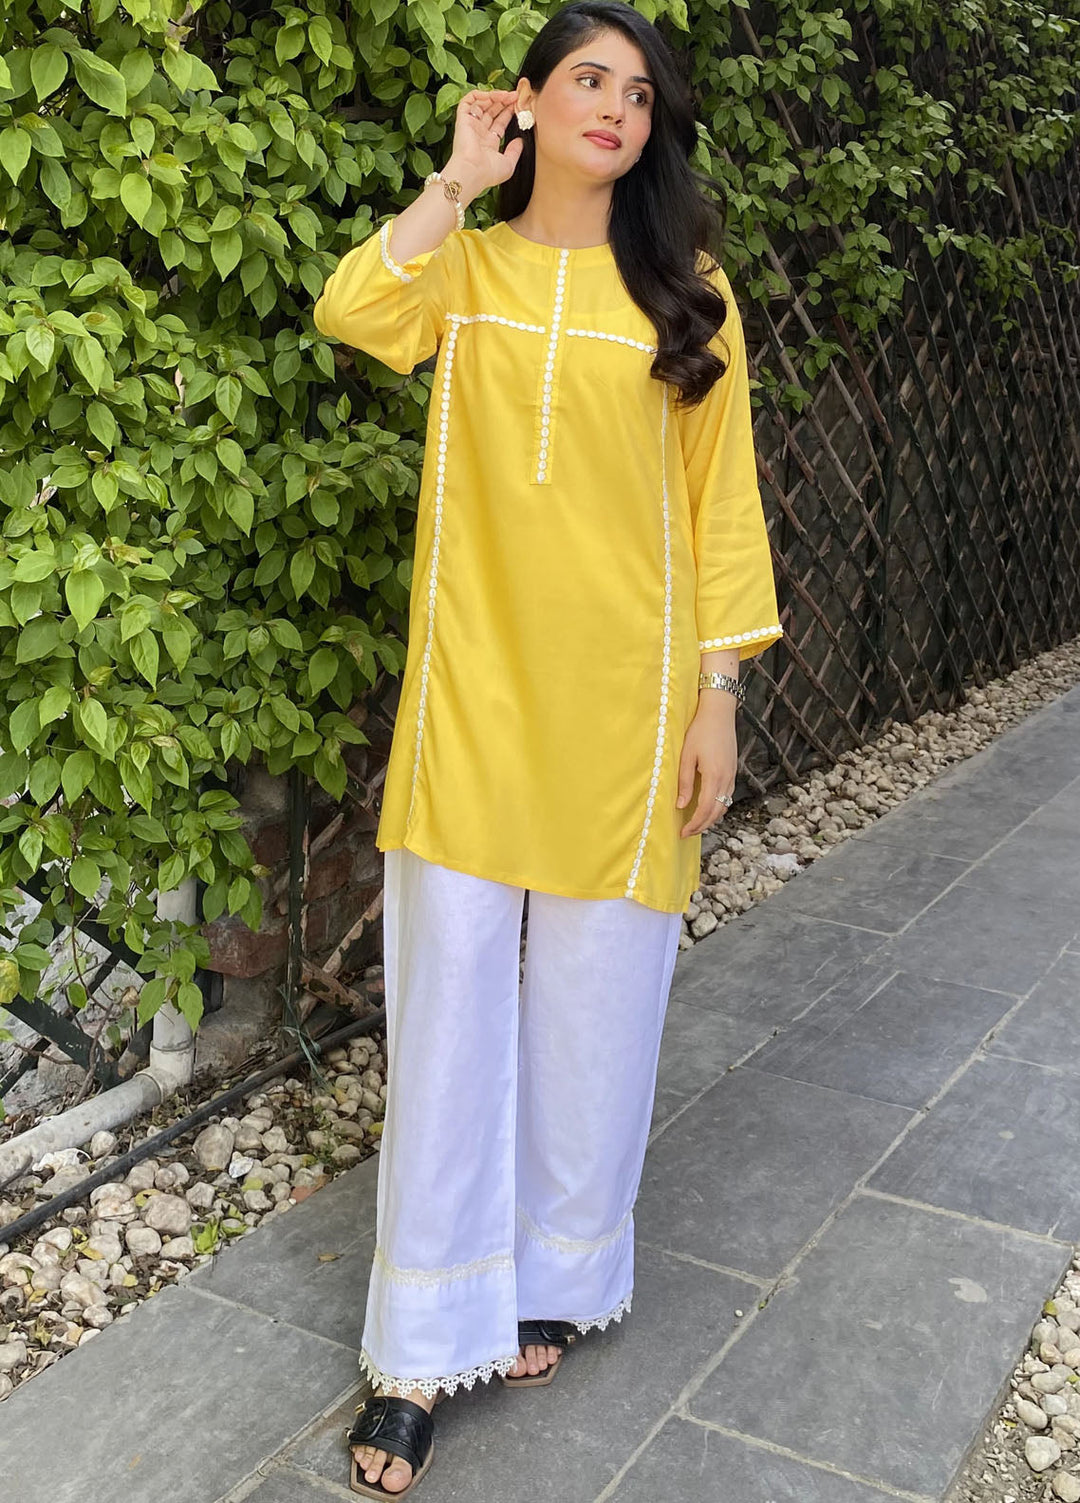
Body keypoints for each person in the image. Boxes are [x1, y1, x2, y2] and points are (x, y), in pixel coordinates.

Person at [311, 2, 783, 1494]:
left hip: (630, 706)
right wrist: (457, 181)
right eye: (589, 80)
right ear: (527, 100)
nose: (617, 111)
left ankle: (556, 1273)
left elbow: (720, 506)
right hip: (472, 695)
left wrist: (718, 695)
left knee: (596, 1005)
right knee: (449, 1007)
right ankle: (417, 1346)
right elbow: (352, 312)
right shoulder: (462, 268)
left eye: (639, 95)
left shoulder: (689, 294)